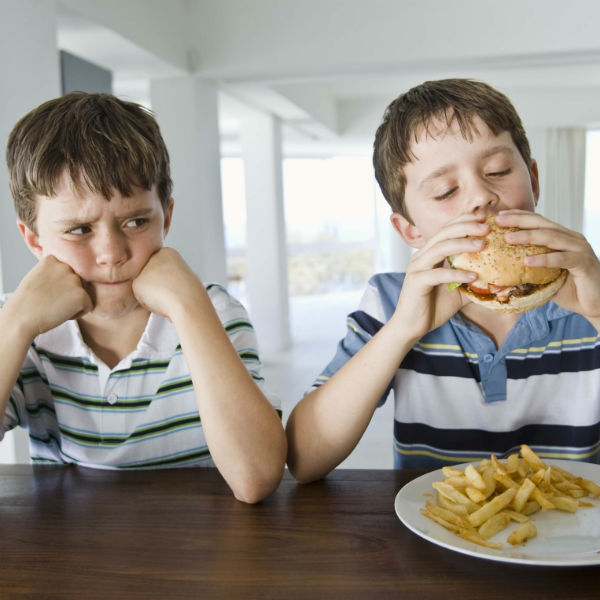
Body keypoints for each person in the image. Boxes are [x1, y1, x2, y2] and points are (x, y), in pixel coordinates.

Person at [286, 79, 600, 482]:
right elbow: (304, 459)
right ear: (410, 231)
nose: (480, 196)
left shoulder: (590, 285)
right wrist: (401, 331)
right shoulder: (389, 300)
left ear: (534, 181)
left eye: (498, 171)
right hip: (432, 531)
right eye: (444, 190)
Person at [0, 92, 286, 503]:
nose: (112, 254)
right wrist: (15, 324)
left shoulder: (215, 315)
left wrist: (189, 308)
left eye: (135, 221)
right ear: (33, 239)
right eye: (79, 230)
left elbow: (256, 478)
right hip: (65, 558)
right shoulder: (16, 325)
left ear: (166, 217)